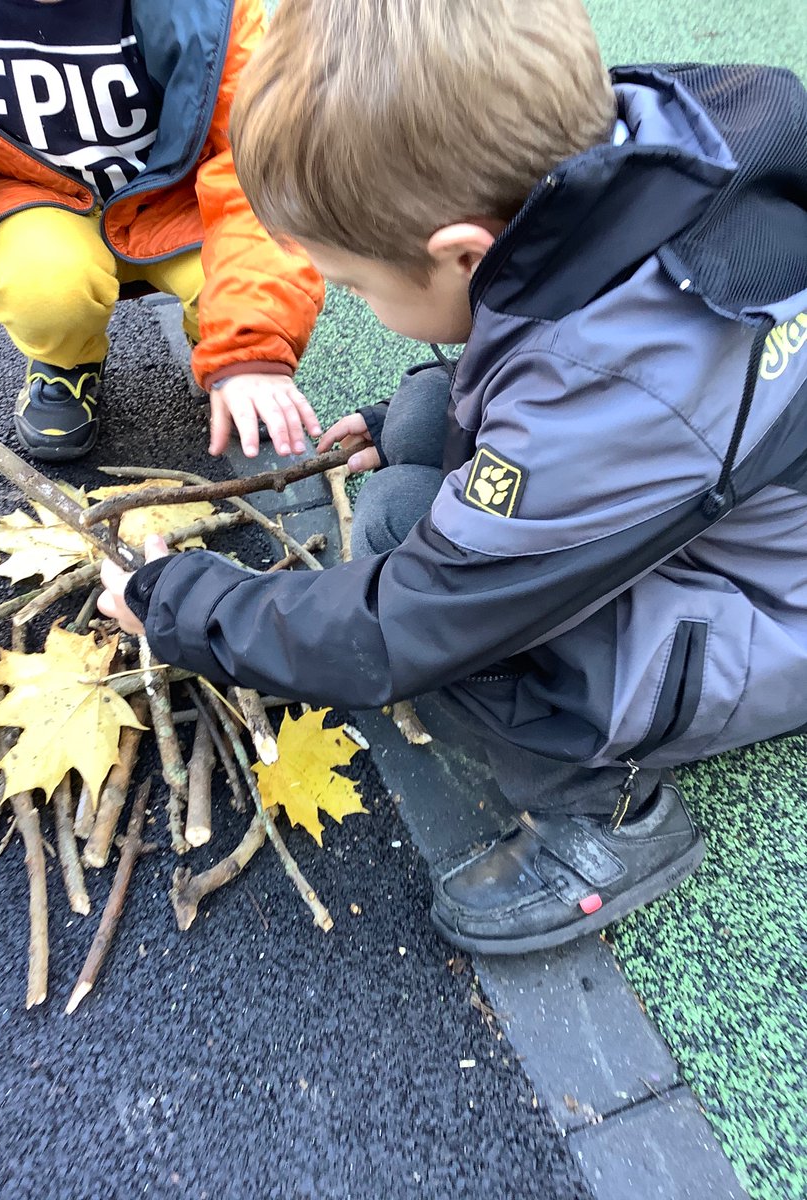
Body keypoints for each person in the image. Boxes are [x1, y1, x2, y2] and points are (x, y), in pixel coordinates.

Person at [99, 0, 807, 955]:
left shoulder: (616, 382)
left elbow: (413, 623)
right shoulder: (634, 157)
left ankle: (611, 820)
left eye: (351, 286)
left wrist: (190, 606)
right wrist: (409, 422)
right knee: (433, 420)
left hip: (771, 614)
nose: (351, 298)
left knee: (403, 533)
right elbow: (549, 360)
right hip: (744, 498)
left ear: (464, 252)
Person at [0, 0, 324, 462]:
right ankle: (68, 359)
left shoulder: (213, 11)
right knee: (42, 286)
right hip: (36, 195)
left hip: (178, 203)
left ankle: (219, 341)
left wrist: (251, 347)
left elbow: (259, 175)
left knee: (238, 287)